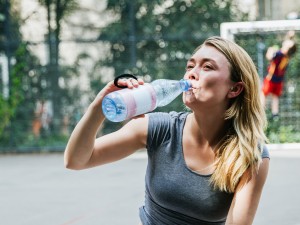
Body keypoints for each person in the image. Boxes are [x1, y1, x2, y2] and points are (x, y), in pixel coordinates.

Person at [64, 36, 270, 225]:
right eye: (190, 66)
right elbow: (76, 160)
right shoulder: (159, 128)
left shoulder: (249, 154)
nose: (191, 73)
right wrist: (99, 106)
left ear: (234, 89)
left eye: (207, 67)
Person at [261, 31, 297, 119]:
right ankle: (275, 114)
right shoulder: (287, 56)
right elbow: (290, 43)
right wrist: (290, 36)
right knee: (275, 96)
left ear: (287, 47)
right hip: (279, 79)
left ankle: (261, 110)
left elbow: (269, 57)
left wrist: (270, 50)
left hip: (271, 78)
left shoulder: (279, 54)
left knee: (263, 94)